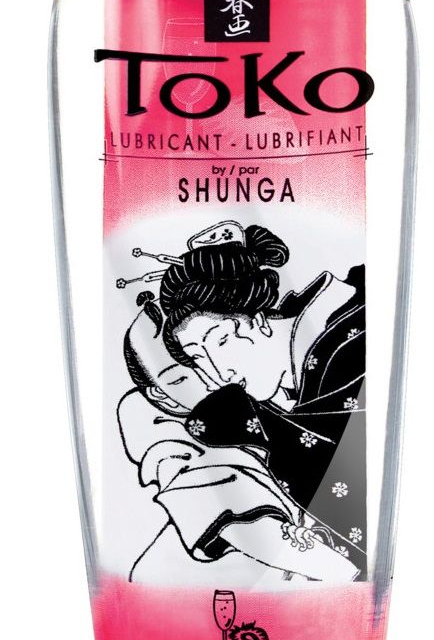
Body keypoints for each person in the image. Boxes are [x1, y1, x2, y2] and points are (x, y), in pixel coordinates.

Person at [159, 222, 366, 572]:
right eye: (197, 357)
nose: (218, 373)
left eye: (221, 340)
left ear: (258, 319)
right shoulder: (283, 389)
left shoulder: (352, 340)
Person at [118, 290, 363, 585]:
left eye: (212, 351)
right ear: (159, 394)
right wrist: (348, 574)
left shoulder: (268, 391)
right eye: (180, 377)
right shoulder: (171, 443)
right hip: (212, 591)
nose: (210, 378)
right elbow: (245, 527)